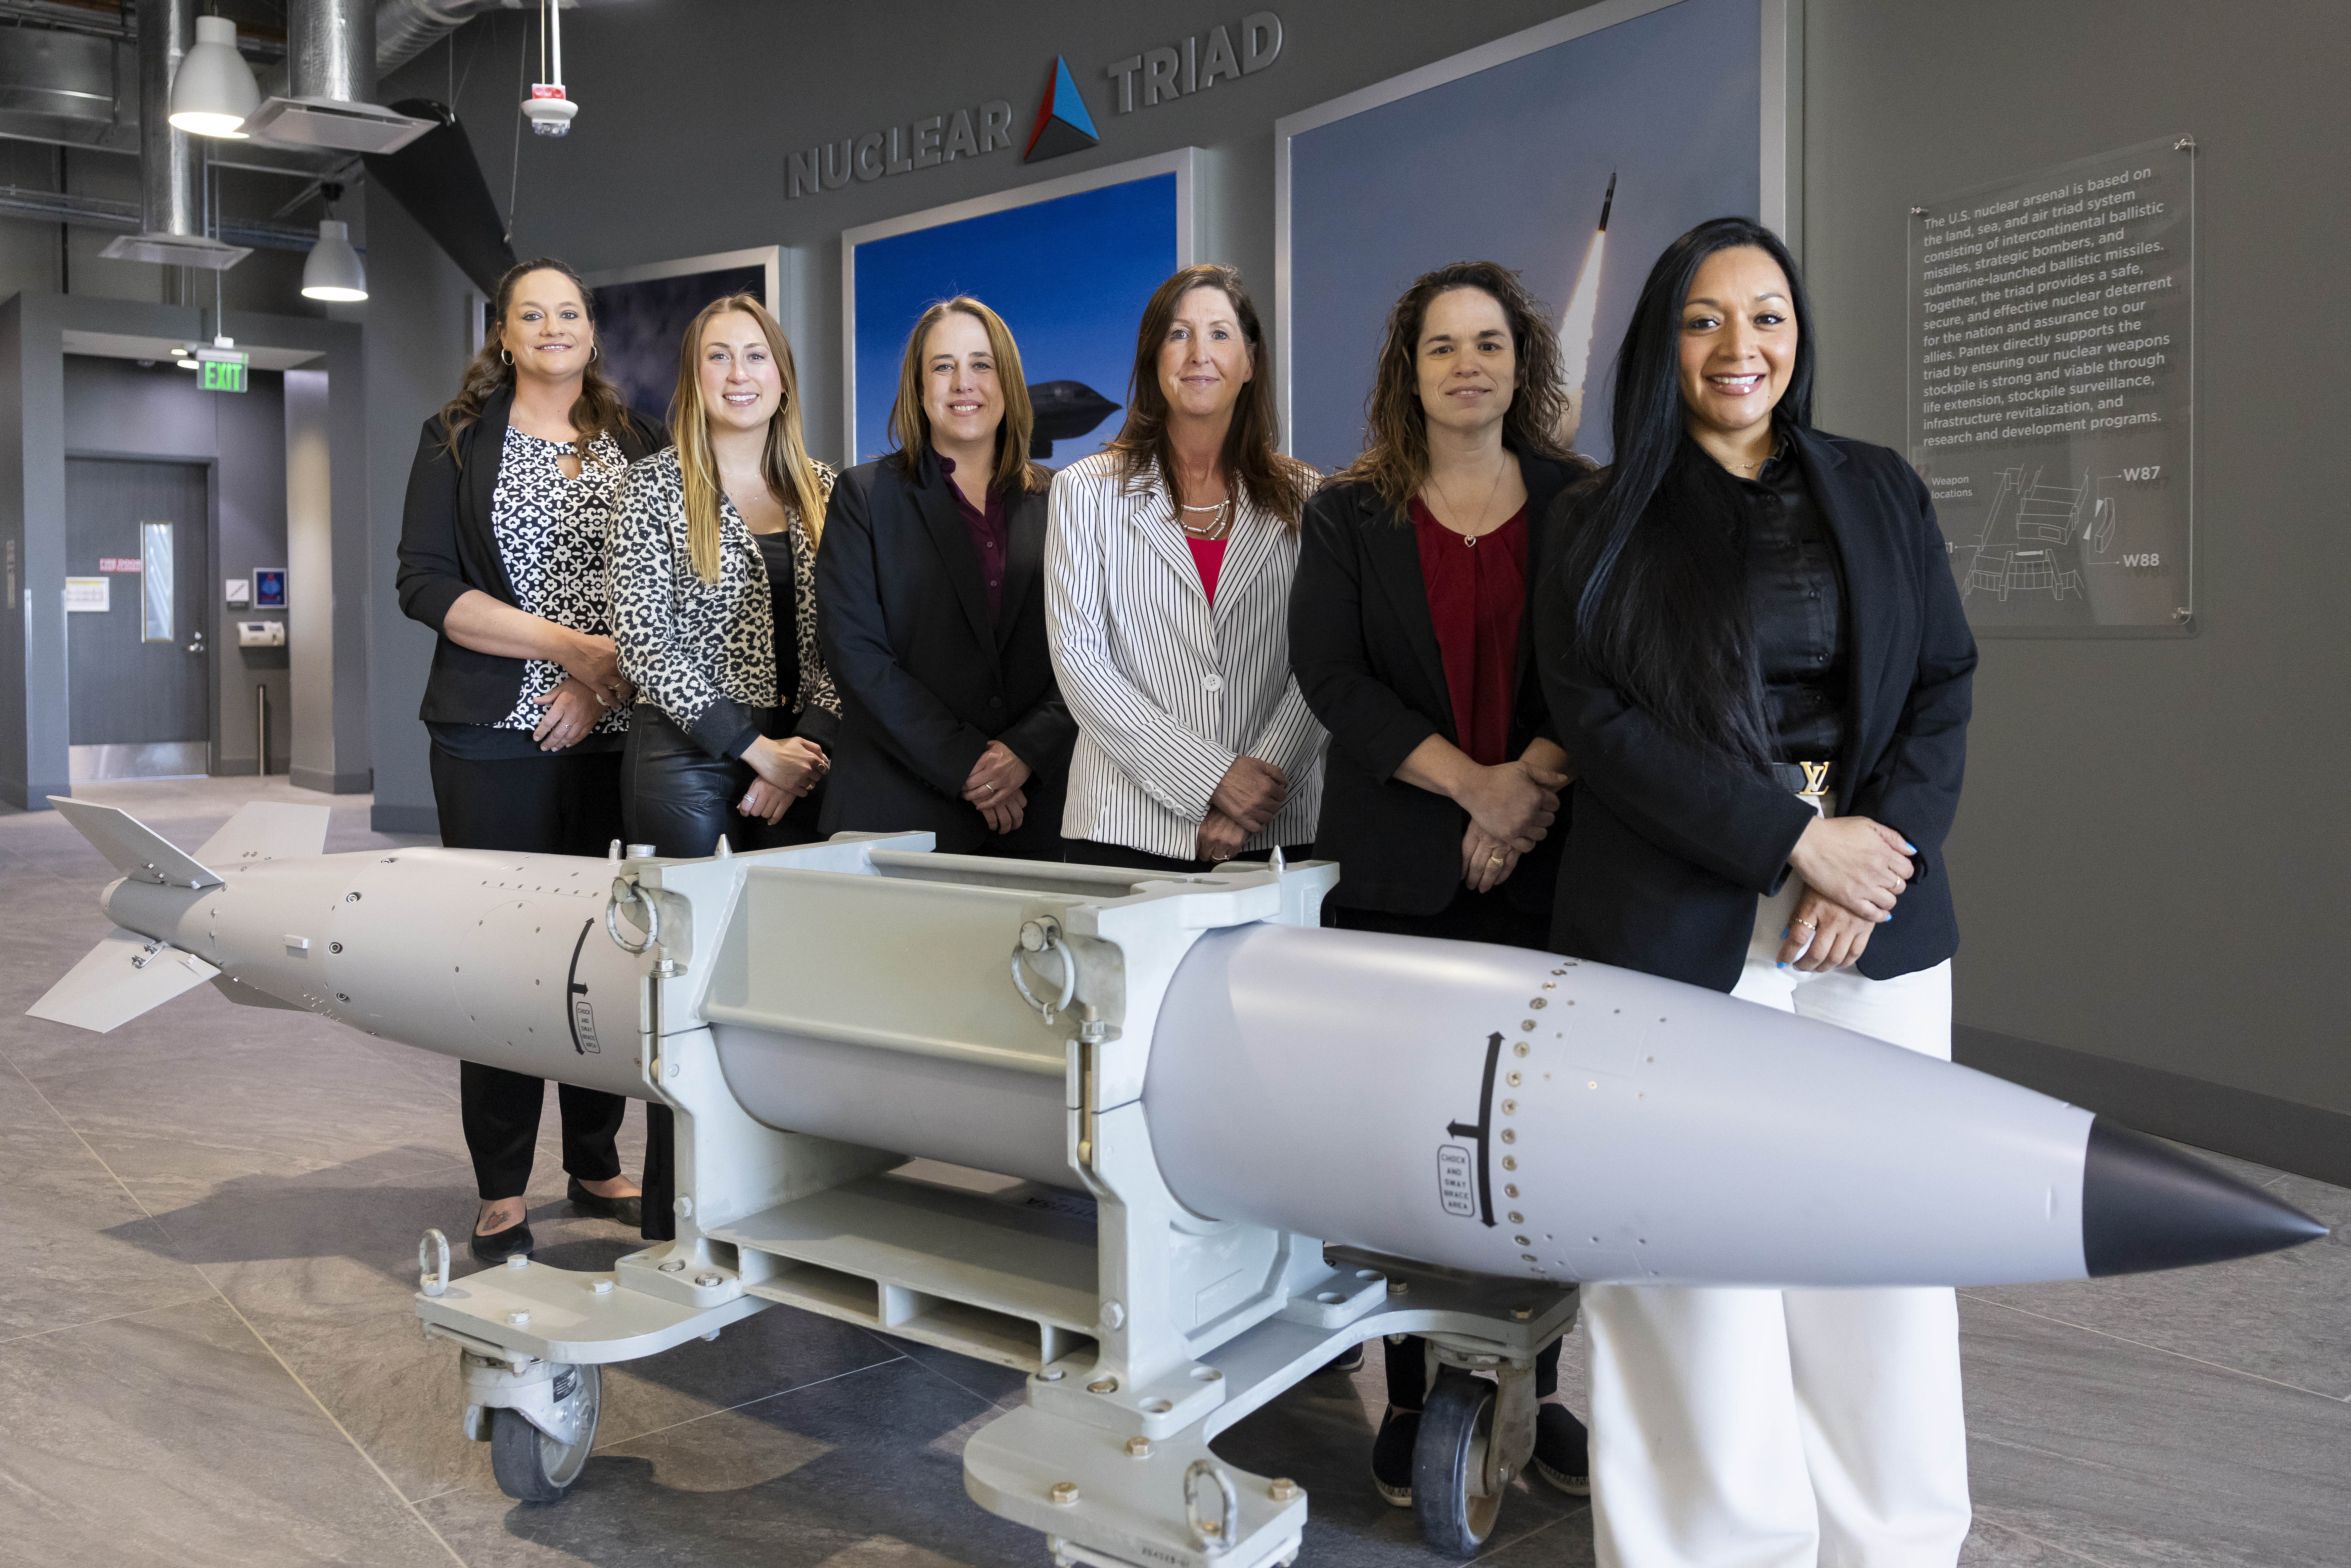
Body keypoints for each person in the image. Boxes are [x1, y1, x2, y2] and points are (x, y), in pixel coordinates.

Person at [1535, 217, 1977, 1567]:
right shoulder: (1596, 519)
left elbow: (1942, 683)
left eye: (1768, 316)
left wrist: (1871, 851)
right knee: (1687, 1266)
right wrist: (1794, 842)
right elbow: (1595, 721)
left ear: (1799, 335)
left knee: (1884, 1253)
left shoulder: (1879, 488)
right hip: (1674, 920)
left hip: (1871, 921)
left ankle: (1889, 1542)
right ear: (1662, 342)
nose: (1742, 347)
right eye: (1705, 319)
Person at [1289, 260, 1592, 1506]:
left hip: (1552, 866)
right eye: (1440, 346)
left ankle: (1541, 1385)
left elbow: (1608, 667)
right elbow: (1334, 680)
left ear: (1521, 362)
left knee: (1541, 1147)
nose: (1467, 364)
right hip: (1401, 870)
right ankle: (1412, 1393)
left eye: (1488, 343)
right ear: (1406, 371)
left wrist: (1528, 786)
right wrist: (1474, 789)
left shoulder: (1582, 502)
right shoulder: (1350, 514)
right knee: (1405, 1147)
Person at [394, 257, 667, 1265]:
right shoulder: (456, 439)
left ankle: (596, 1157)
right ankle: (502, 1182)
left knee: (605, 948)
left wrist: (601, 681)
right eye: (531, 314)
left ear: (591, 332)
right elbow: (423, 584)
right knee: (500, 959)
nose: (553, 327)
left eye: (570, 312)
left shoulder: (639, 443)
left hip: (617, 739)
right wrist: (566, 648)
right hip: (487, 739)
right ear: (502, 336)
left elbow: (663, 589)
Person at [1048, 264, 1324, 871]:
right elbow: (1080, 662)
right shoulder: (1083, 491)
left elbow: (1326, 662)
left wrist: (1255, 789)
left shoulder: (1309, 497)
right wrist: (1211, 779)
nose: (1200, 354)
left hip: (1277, 827)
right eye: (1178, 335)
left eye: (1221, 335)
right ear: (1152, 359)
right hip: (1125, 827)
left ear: (1251, 362)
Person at [816, 297, 1072, 855]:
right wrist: (968, 765)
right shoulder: (865, 496)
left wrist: (1026, 751)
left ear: (1007, 381)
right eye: (943, 366)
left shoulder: (1066, 500)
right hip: (898, 811)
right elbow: (855, 654)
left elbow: (1094, 651)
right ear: (918, 386)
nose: (964, 383)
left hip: (1038, 811)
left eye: (982, 364)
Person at [612, 293, 838, 859]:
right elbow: (642, 643)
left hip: (805, 754)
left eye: (757, 356)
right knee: (694, 940)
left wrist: (801, 747)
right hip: (685, 760)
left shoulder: (828, 492)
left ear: (782, 378)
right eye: (719, 357)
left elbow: (858, 634)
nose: (739, 374)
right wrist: (753, 748)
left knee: (792, 938)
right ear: (694, 379)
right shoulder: (651, 486)